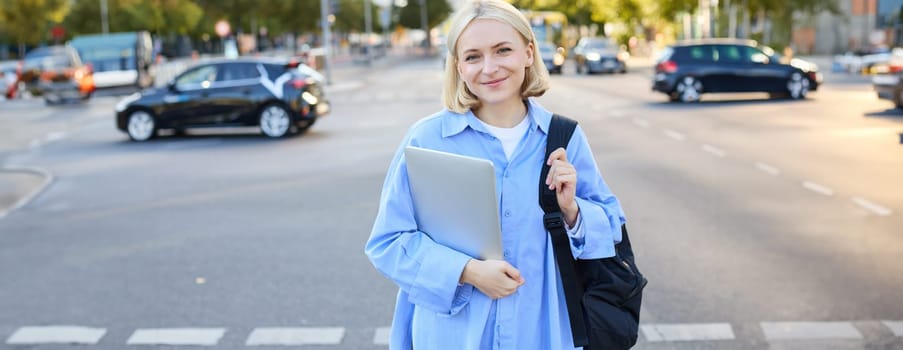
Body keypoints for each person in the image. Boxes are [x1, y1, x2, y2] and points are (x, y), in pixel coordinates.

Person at [364, 0, 625, 348]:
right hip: (454, 335)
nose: (490, 68)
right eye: (473, 56)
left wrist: (572, 210)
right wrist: (466, 271)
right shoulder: (425, 140)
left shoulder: (564, 138)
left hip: (542, 332)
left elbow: (611, 226)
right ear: (458, 66)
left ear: (528, 53)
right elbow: (388, 241)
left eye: (503, 50)